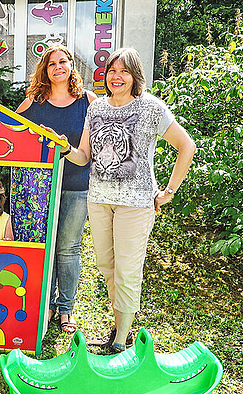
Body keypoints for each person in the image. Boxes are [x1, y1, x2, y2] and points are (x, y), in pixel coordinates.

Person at [63, 47, 196, 353]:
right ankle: (119, 324)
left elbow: (186, 146)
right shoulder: (96, 109)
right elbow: (84, 157)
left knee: (127, 270)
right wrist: (64, 148)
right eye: (112, 71)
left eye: (123, 71)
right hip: (98, 199)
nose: (116, 77)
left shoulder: (151, 108)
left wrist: (169, 191)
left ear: (135, 75)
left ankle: (121, 340)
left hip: (136, 204)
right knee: (107, 266)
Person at [15, 44, 97, 333]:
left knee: (68, 248)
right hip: (39, 188)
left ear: (72, 66)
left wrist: (64, 146)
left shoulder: (88, 101)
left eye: (64, 62)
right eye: (52, 64)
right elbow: (13, 138)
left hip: (77, 184)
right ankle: (45, 306)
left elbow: (85, 155)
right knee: (43, 247)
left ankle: (66, 310)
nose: (58, 67)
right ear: (44, 70)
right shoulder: (32, 101)